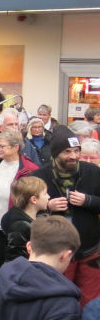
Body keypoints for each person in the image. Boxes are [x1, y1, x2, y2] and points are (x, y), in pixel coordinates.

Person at [33, 129, 100, 306]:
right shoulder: (40, 176)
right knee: (58, 300)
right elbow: (27, 208)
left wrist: (89, 200)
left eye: (76, 150)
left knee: (90, 302)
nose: (74, 156)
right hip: (56, 250)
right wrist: (48, 206)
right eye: (67, 152)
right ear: (56, 154)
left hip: (89, 250)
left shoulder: (93, 172)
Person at [0, 128, 39, 278]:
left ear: (16, 147)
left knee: (15, 265)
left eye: (2, 146)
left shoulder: (29, 169)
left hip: (16, 227)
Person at [1, 176, 49, 265]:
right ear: (34, 199)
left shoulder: (37, 216)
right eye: (45, 193)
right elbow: (16, 258)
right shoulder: (20, 226)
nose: (48, 196)